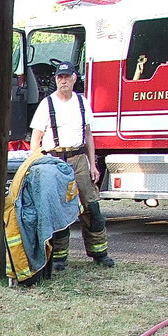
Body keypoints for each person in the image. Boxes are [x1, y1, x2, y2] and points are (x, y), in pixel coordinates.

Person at [29, 61, 115, 271]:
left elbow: (88, 135)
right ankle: (59, 257)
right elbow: (35, 140)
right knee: (58, 209)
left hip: (78, 160)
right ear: (56, 80)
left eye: (67, 77)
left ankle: (99, 252)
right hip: (55, 162)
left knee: (91, 206)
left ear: (74, 78)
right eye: (60, 77)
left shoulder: (82, 103)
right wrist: (34, 165)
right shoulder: (46, 105)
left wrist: (92, 165)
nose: (63, 80)